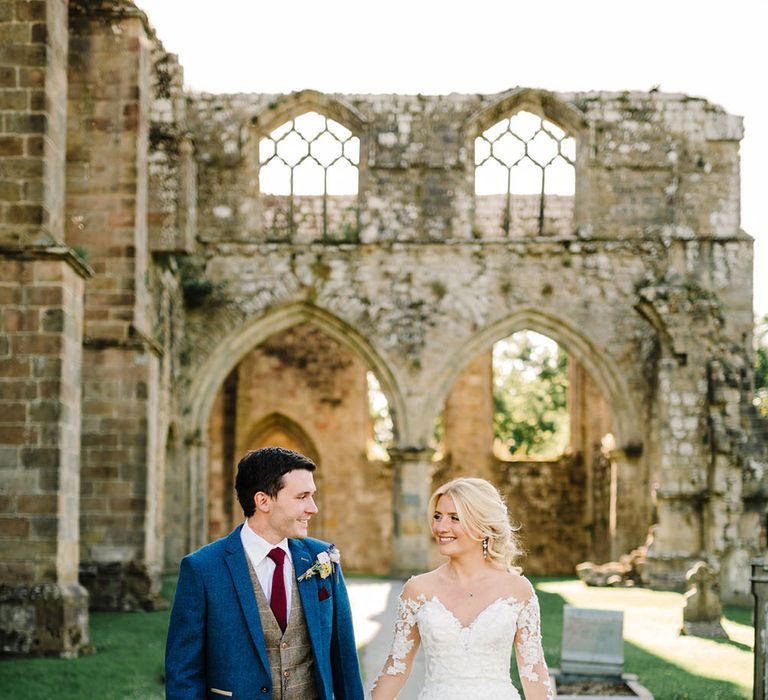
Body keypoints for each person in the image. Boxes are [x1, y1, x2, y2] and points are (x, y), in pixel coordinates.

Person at [165, 447, 364, 700]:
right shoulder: (203, 568)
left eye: (312, 496)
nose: (312, 508)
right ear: (263, 501)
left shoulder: (323, 559)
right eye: (302, 497)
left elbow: (345, 660)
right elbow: (183, 674)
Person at [370, 477, 552, 700]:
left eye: (455, 518)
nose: (440, 527)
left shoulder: (518, 590)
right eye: (438, 516)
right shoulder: (418, 589)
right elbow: (396, 670)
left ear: (483, 527)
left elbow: (533, 672)